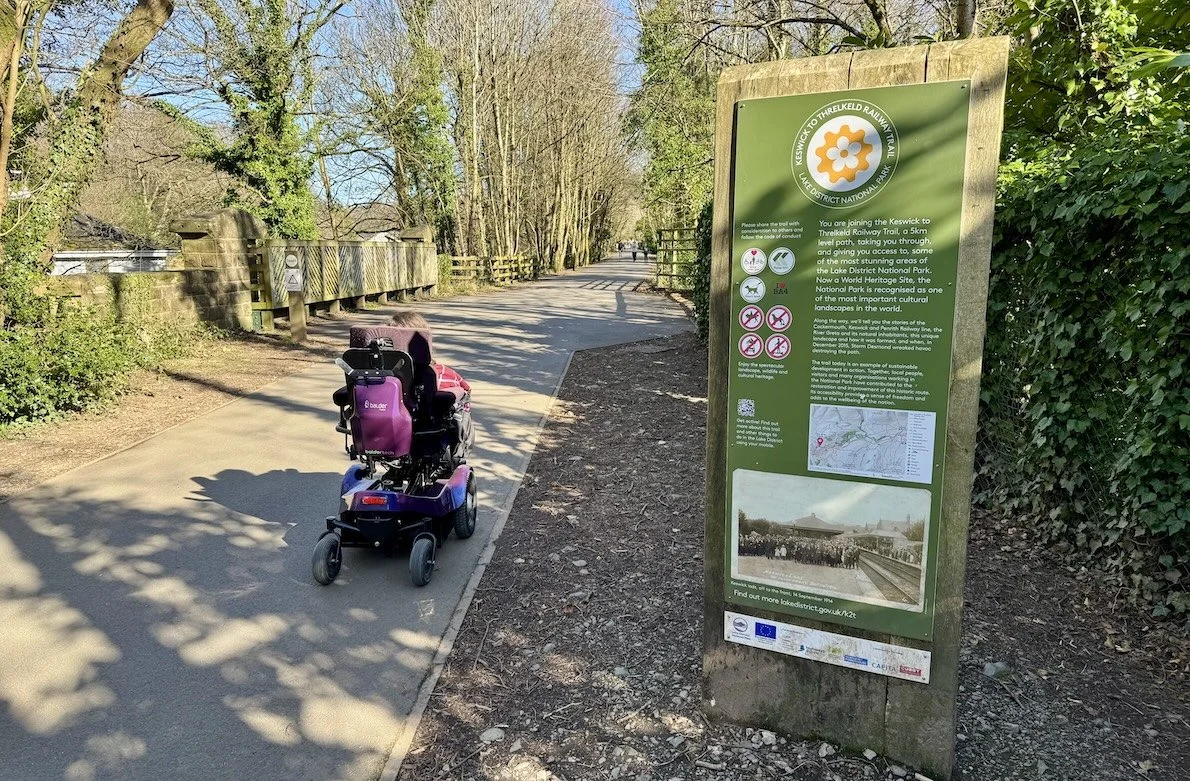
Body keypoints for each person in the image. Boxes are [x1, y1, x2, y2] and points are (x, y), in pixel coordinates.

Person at [387, 310, 474, 461]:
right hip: (431, 435)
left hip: (391, 434)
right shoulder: (441, 373)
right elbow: (465, 390)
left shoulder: (380, 378)